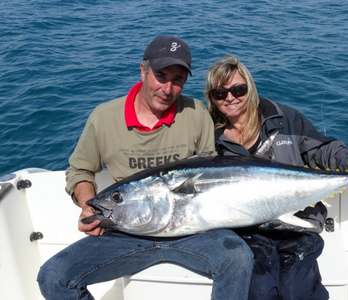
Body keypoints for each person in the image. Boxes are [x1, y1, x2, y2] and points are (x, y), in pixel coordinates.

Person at [37, 36, 253, 300]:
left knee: (239, 257)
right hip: (125, 232)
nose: (168, 88)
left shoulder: (196, 114)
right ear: (143, 70)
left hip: (191, 231)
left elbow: (207, 173)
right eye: (161, 76)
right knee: (53, 276)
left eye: (178, 80)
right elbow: (80, 170)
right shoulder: (104, 118)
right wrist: (87, 205)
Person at [205, 55, 348, 300]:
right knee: (259, 289)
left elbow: (323, 150)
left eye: (238, 89)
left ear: (250, 88)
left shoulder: (283, 118)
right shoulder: (209, 135)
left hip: (298, 222)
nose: (231, 97)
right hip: (247, 230)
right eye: (220, 93)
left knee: (296, 288)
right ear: (211, 98)